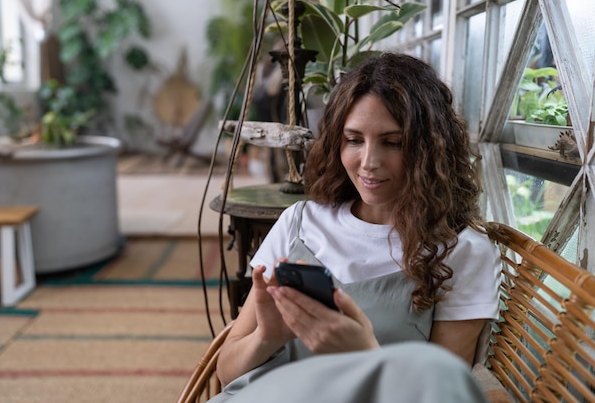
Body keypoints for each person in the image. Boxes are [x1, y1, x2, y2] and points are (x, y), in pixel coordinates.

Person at [209, 52, 502, 403]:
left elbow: (442, 393)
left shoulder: (462, 251)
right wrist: (267, 337)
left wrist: (366, 354)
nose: (369, 163)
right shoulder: (300, 221)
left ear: (430, 149)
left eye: (392, 142)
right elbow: (226, 373)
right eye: (353, 140)